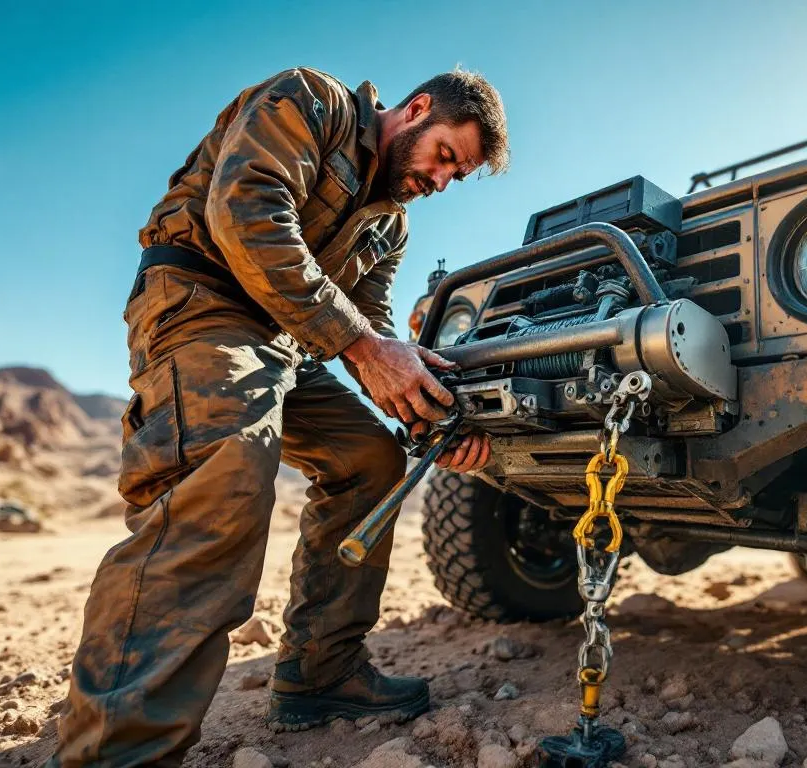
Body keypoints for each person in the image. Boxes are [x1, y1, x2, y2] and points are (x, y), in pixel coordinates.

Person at [49, 66, 508, 767]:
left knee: (370, 463)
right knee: (227, 470)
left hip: (292, 343)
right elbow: (248, 213)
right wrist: (361, 346)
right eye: (446, 156)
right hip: (201, 304)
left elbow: (377, 331)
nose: (442, 180)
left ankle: (321, 677)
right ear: (415, 111)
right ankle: (115, 751)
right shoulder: (311, 102)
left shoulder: (391, 224)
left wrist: (427, 419)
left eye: (459, 176)